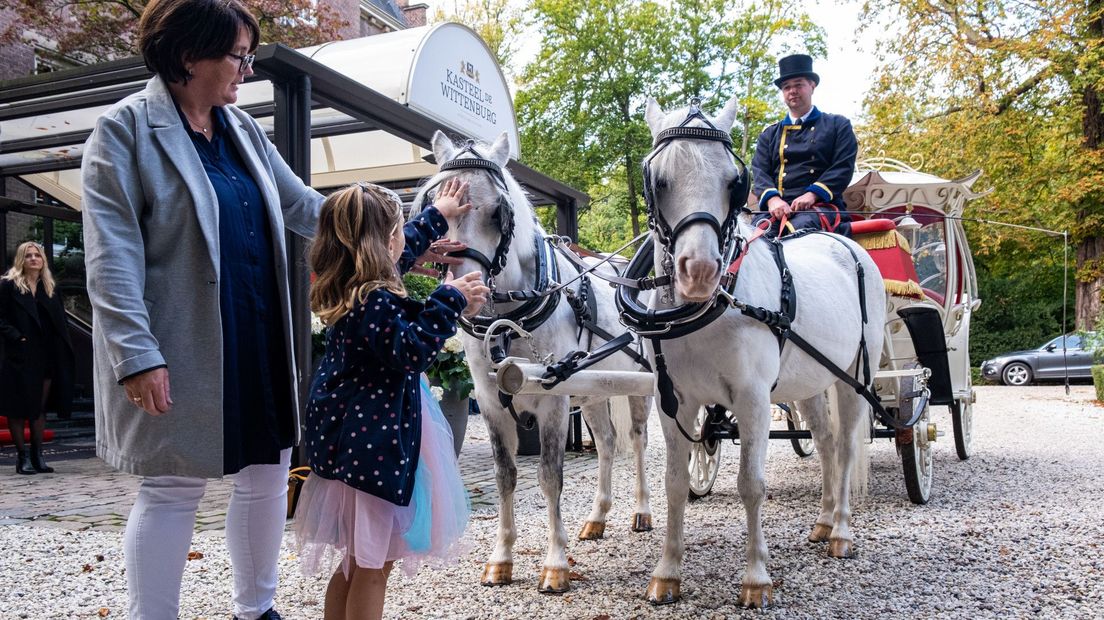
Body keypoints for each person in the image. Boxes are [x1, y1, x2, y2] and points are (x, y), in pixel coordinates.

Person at [79, 0, 321, 617]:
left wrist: (404, 227)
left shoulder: (242, 132)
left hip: (258, 334)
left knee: (269, 471)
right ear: (189, 55)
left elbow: (305, 210)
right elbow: (112, 259)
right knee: (172, 487)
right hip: (179, 343)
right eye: (238, 56)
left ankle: (256, 609)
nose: (247, 70)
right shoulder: (123, 131)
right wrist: (135, 355)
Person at [294, 180, 488, 620]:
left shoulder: (353, 283)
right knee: (373, 566)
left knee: (353, 563)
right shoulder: (376, 299)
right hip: (373, 453)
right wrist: (449, 300)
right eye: (399, 231)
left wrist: (437, 213)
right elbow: (411, 351)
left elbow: (400, 249)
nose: (405, 243)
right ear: (384, 242)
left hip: (353, 451)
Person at [751, 54, 859, 237]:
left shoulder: (838, 125)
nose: (792, 91)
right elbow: (759, 171)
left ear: (812, 86)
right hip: (775, 210)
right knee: (749, 241)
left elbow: (842, 168)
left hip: (822, 207)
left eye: (798, 85)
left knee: (799, 234)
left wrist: (812, 195)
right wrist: (773, 200)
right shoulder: (769, 135)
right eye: (787, 87)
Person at [0, 241, 75, 475]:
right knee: (19, 408)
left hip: (46, 355)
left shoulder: (50, 288)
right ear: (21, 259)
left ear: (43, 260)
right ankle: (22, 458)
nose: (34, 259)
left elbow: (60, 321)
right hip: (19, 354)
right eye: (29, 255)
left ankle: (38, 455)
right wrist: (17, 337)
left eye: (37, 255)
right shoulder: (8, 285)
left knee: (39, 408)